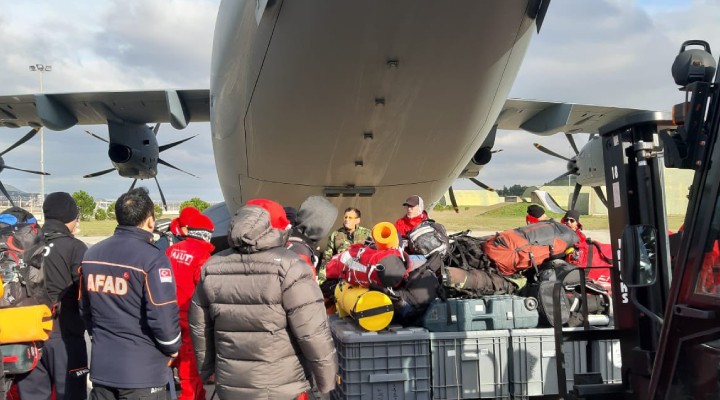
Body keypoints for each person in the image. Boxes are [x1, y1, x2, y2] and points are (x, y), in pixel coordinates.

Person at [189, 199, 337, 399]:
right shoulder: (290, 267)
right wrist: (326, 380)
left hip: (231, 384)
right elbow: (313, 332)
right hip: (282, 387)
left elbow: (200, 327)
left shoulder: (212, 266)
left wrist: (207, 370)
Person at [80, 188, 181, 400]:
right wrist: (173, 346)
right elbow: (162, 314)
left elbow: (85, 309)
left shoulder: (91, 255)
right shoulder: (153, 259)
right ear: (150, 221)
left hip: (102, 368)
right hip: (143, 374)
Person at [14, 193, 89, 400]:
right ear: (70, 217)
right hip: (64, 337)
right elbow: (86, 295)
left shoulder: (25, 244)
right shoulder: (75, 248)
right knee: (71, 395)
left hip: (27, 337)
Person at [166, 211, 215, 400]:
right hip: (192, 322)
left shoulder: (171, 250)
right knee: (190, 377)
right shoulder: (204, 257)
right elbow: (208, 294)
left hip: (168, 319)